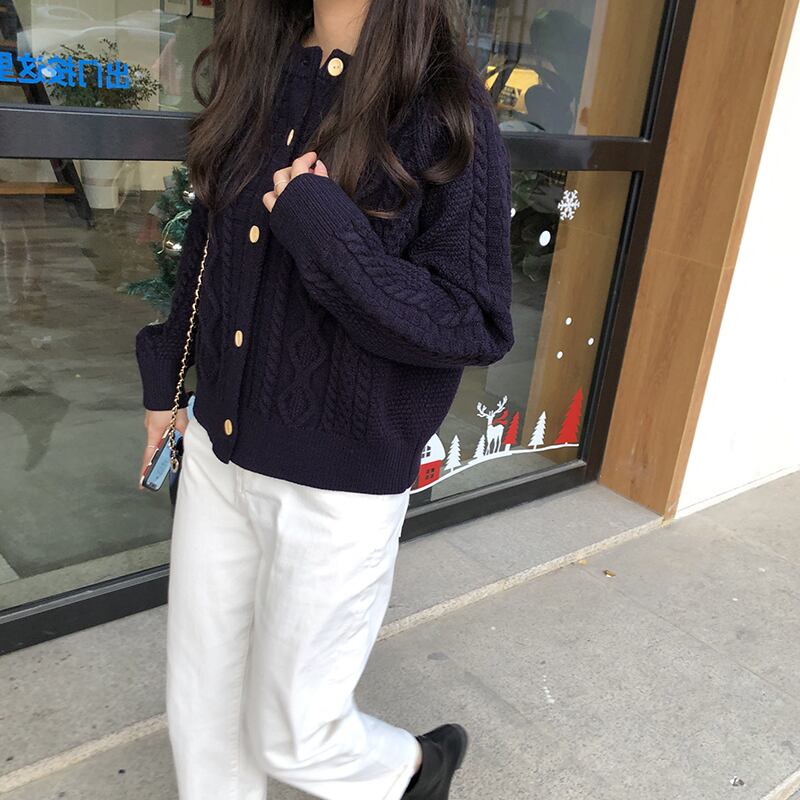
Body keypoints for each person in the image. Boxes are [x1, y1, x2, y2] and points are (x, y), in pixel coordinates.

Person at [134, 1, 515, 798]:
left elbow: (472, 322)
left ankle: (414, 768)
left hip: (338, 480)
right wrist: (166, 384)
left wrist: (328, 233)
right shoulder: (261, 71)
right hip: (215, 452)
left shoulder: (443, 104)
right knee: (202, 710)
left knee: (294, 735)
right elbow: (205, 246)